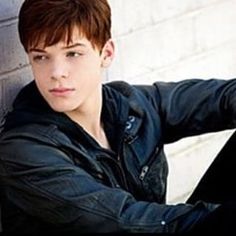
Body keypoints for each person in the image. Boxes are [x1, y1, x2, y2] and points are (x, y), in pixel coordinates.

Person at [1, 0, 236, 234]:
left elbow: (223, 98)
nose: (56, 73)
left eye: (73, 53)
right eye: (41, 57)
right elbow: (122, 221)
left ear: (106, 54)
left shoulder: (133, 107)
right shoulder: (22, 150)